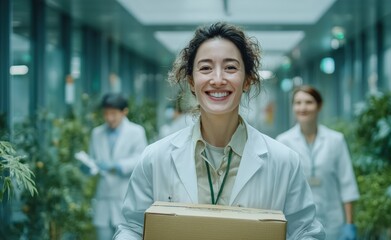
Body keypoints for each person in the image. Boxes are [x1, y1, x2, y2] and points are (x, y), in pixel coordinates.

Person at [113, 22, 325, 240]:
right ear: (191, 82)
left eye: (230, 68)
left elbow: (305, 232)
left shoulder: (284, 161)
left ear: (247, 80)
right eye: (205, 68)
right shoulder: (155, 158)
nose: (217, 79)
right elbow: (132, 228)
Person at [276, 85, 360, 240]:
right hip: (296, 225)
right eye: (298, 102)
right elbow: (278, 188)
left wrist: (349, 224)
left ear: (319, 106)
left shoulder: (336, 140)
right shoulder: (282, 142)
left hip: (333, 222)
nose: (303, 108)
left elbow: (347, 184)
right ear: (293, 107)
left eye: (309, 102)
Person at [88, 93, 148, 240]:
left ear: (124, 112)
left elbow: (141, 160)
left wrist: (117, 166)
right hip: (103, 199)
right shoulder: (97, 133)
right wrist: (88, 167)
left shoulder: (136, 132)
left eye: (113, 114)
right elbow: (93, 160)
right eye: (106, 114)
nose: (109, 118)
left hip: (125, 198)